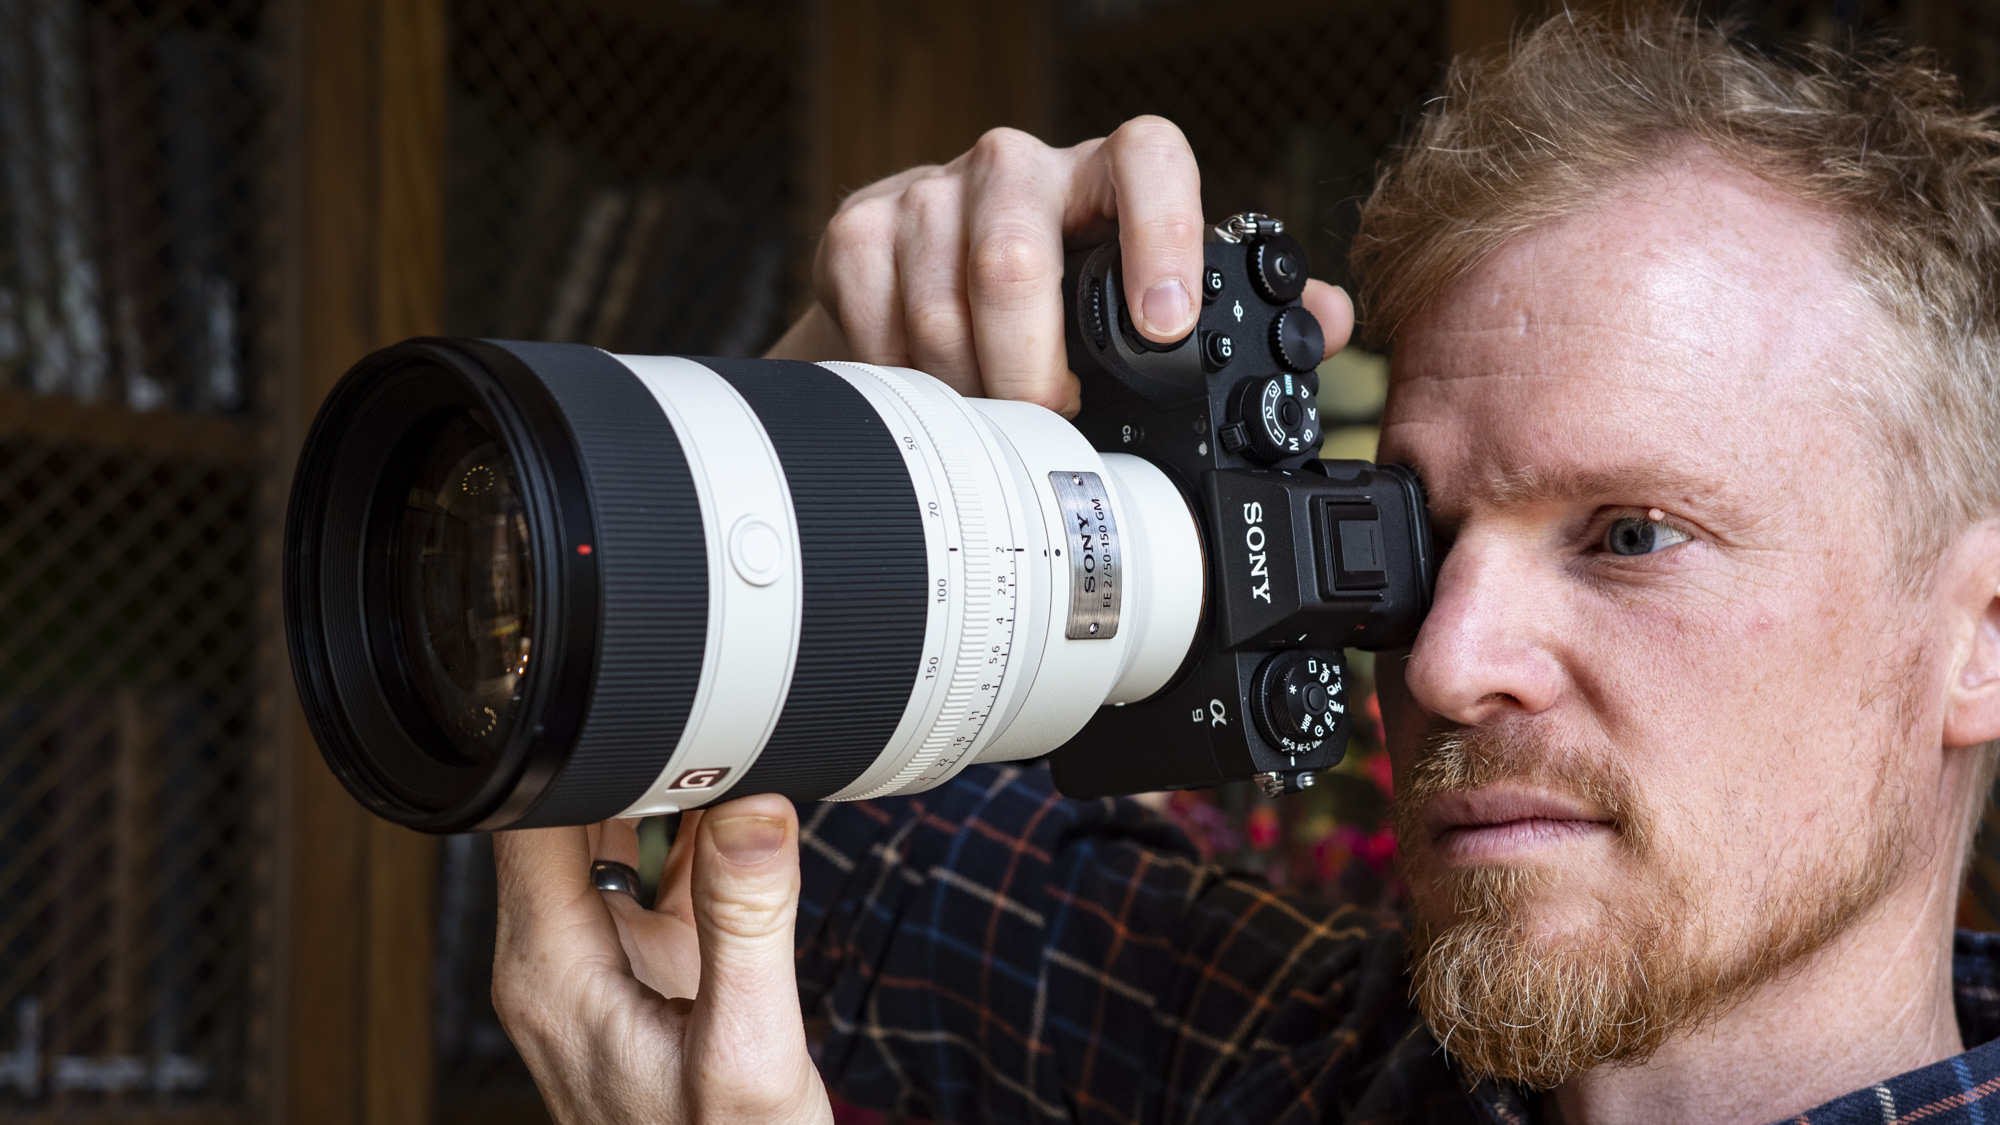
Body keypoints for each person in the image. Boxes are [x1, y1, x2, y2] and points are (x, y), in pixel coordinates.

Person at [484, 10, 2000, 1124]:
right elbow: (717, 811)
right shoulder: (1267, 1050)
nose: (1441, 656)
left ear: (1981, 637)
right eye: (1419, 534)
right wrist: (850, 382)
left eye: (1630, 536)